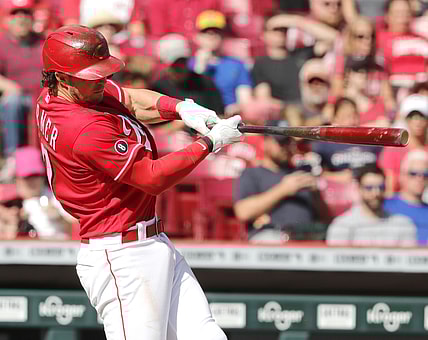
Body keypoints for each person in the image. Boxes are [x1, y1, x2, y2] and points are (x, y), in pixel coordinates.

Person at [38, 25, 242, 340]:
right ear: (62, 78)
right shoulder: (82, 129)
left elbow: (131, 99)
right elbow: (151, 177)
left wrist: (182, 109)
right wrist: (209, 143)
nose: (102, 83)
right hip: (121, 254)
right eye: (93, 77)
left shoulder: (65, 93)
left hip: (151, 242)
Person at [233, 119, 332, 243]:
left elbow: (327, 219)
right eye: (281, 142)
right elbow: (243, 212)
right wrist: (283, 190)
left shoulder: (303, 172)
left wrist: (316, 194)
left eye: (288, 141)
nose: (286, 147)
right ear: (265, 142)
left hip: (309, 237)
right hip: (270, 236)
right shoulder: (252, 174)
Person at [0, 0, 45, 179]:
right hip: (18, 97)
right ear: (8, 19)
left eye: (26, 14)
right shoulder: (2, 43)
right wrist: (8, 86)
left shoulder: (42, 41)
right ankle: (13, 158)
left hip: (44, 95)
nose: (21, 18)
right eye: (16, 14)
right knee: (13, 102)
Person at [326, 164, 417, 246]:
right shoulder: (343, 225)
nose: (376, 193)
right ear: (359, 189)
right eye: (369, 188)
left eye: (380, 187)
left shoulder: (403, 224)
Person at [188, 10, 254, 117]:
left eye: (216, 31)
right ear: (197, 36)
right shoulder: (188, 64)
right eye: (206, 32)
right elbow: (189, 97)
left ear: (223, 35)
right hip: (198, 117)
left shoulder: (237, 64)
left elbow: (245, 99)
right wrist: (200, 65)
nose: (211, 35)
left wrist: (237, 107)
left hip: (229, 117)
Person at [15, 146, 72, 239]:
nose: (32, 181)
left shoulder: (55, 198)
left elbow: (74, 227)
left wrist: (59, 217)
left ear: (42, 177)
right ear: (18, 179)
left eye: (36, 175)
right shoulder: (10, 203)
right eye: (27, 177)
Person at [379, 93, 428, 195]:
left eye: (421, 117)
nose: (417, 121)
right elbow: (390, 185)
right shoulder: (393, 149)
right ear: (405, 120)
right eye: (412, 117)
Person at [384, 149, 428, 244]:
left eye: (425, 174)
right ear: (402, 175)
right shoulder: (385, 205)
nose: (420, 178)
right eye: (413, 174)